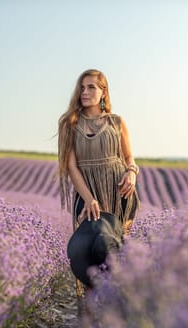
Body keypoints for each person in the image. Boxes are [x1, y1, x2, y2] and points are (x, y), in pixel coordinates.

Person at [58, 68, 140, 237]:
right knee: (95, 244)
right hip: (87, 193)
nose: (85, 92)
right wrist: (89, 199)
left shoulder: (116, 122)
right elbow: (71, 167)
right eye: (82, 88)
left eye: (91, 87)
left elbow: (128, 156)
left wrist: (132, 172)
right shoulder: (69, 124)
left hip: (120, 192)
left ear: (104, 92)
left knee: (116, 248)